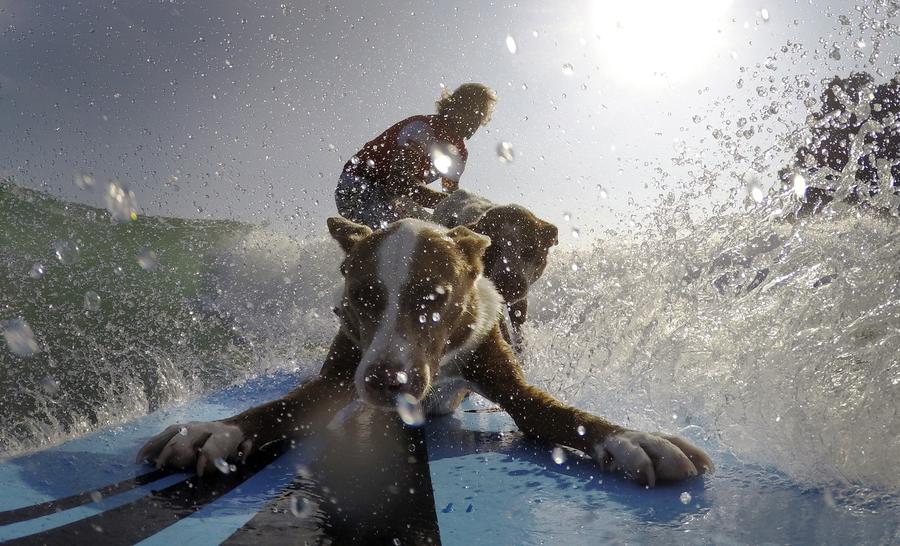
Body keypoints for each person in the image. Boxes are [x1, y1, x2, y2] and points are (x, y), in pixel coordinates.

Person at [335, 83, 497, 229]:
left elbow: (451, 195)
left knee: (444, 234)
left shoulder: (460, 154)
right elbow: (400, 182)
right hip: (357, 187)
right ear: (455, 107)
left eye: (481, 116)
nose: (476, 121)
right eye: (473, 112)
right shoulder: (422, 129)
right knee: (418, 236)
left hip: (393, 198)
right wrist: (457, 204)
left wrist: (470, 212)